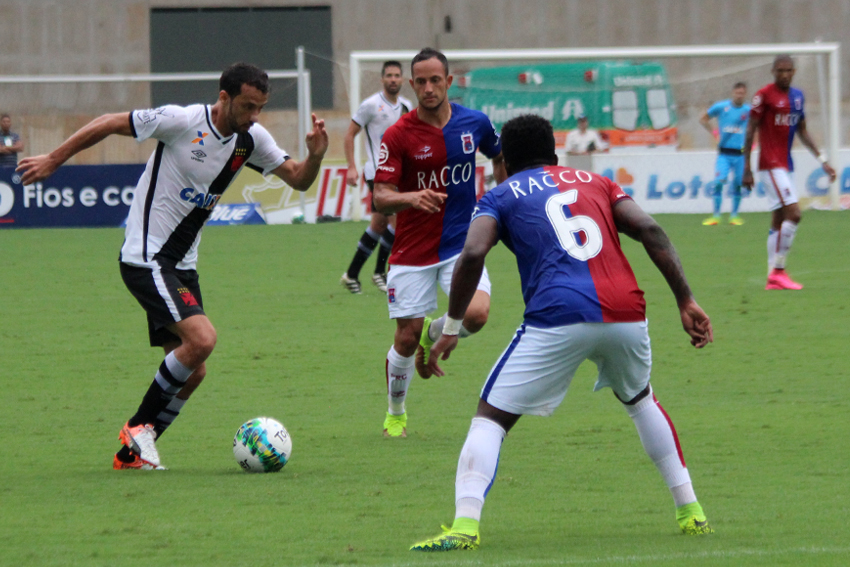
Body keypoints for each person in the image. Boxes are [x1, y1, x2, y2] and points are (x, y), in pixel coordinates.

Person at [409, 114, 714, 552]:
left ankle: (463, 527)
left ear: (506, 162)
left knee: (490, 417)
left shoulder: (499, 194)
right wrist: (685, 299)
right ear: (553, 154)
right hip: (626, 310)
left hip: (558, 315)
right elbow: (649, 228)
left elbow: (473, 251)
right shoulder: (598, 181)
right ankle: (691, 511)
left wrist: (452, 326)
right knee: (641, 399)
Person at [17, 62, 328, 470]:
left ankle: (133, 454)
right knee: (202, 340)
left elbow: (299, 179)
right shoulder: (180, 120)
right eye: (248, 107)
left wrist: (316, 155)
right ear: (224, 98)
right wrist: (55, 160)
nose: (254, 117)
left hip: (182, 264)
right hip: (147, 257)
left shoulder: (252, 139)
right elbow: (111, 121)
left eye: (260, 108)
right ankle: (138, 429)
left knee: (193, 370)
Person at [372, 47, 506, 438]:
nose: (428, 88)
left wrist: (502, 197)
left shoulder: (475, 123)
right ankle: (396, 412)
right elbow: (381, 196)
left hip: (460, 245)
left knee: (477, 315)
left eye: (436, 80)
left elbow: (499, 156)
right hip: (412, 251)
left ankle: (435, 335)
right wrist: (410, 198)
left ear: (448, 82)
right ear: (412, 85)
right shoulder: (397, 134)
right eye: (421, 82)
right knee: (405, 336)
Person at [742, 54, 836, 290]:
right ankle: (779, 271)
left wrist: (822, 160)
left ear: (793, 72)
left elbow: (802, 130)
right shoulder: (763, 96)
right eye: (780, 70)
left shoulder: (797, 97)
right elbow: (750, 129)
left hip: (787, 164)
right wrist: (747, 167)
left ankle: (772, 278)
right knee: (794, 213)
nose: (784, 74)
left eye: (788, 70)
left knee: (779, 219)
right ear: (773, 72)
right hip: (770, 164)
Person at [340, 61, 413, 294]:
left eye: (396, 75)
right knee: (397, 223)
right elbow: (349, 135)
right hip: (377, 173)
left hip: (398, 174)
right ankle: (380, 272)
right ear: (382, 79)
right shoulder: (370, 105)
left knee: (379, 225)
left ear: (402, 80)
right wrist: (351, 166)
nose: (393, 79)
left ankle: (351, 275)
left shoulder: (406, 106)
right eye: (389, 75)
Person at [699, 82, 750, 226]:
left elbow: (758, 125)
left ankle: (734, 216)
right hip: (724, 154)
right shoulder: (721, 107)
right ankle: (716, 216)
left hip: (740, 155)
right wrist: (715, 132)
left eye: (742, 93)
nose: (739, 95)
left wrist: (753, 140)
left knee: (738, 184)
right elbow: (703, 118)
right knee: (719, 182)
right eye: (737, 93)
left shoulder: (749, 110)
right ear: (733, 93)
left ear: (745, 94)